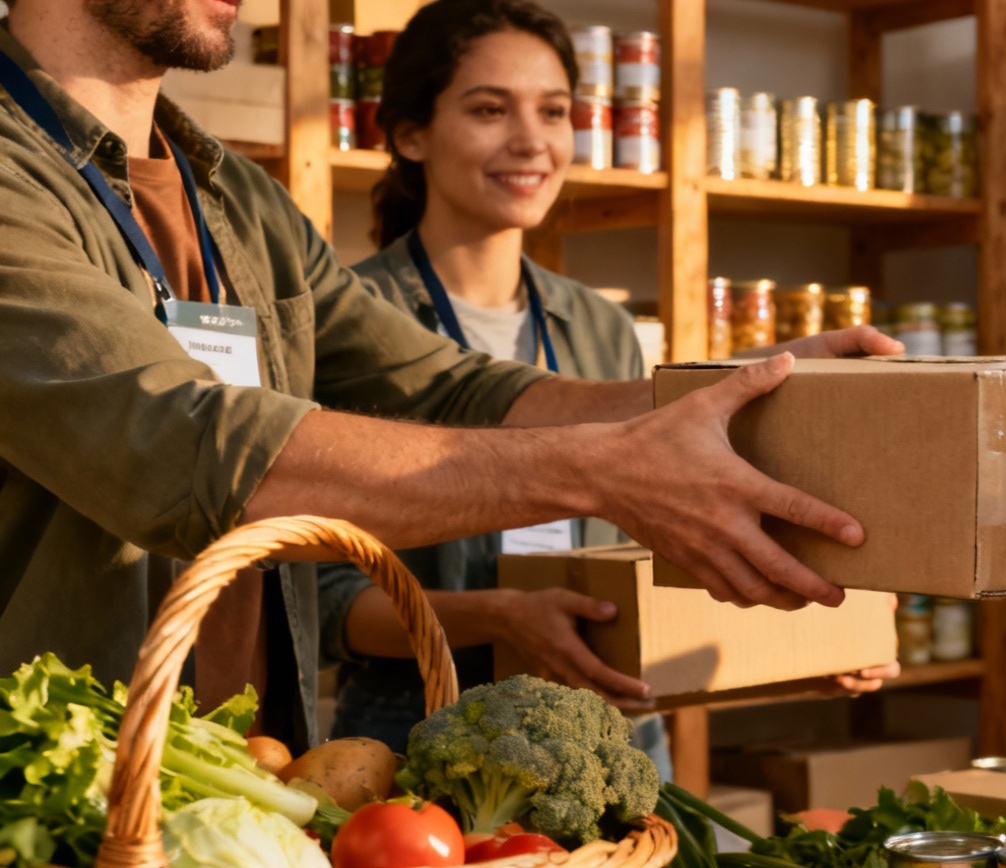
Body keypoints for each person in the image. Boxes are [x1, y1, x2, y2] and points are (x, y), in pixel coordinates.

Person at [0, 0, 899, 751]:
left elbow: (447, 386)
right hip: (57, 790)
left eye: (555, 111)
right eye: (489, 108)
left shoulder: (230, 194)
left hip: (249, 776)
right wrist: (603, 469)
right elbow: (192, 449)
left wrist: (735, 389)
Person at [318, 0, 891, 757]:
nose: (531, 141)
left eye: (554, 111)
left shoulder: (600, 326)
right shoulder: (347, 325)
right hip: (420, 726)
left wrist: (789, 650)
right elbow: (320, 601)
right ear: (409, 133)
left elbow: (657, 545)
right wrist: (500, 616)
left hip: (608, 729)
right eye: (490, 109)